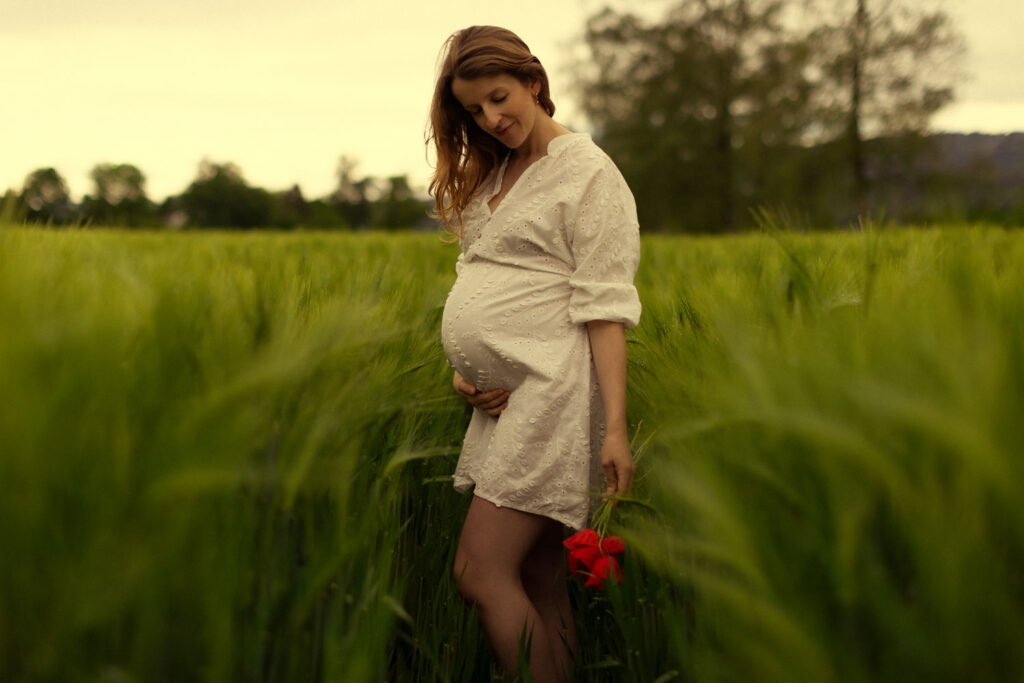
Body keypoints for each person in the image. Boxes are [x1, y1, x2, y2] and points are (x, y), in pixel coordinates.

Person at [427, 25, 642, 683]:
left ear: (533, 81)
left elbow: (604, 307)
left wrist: (615, 426)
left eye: (499, 98)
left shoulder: (588, 172)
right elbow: (490, 282)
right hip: (502, 402)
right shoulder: (497, 171)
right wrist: (469, 374)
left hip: (553, 391)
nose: (493, 119)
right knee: (541, 576)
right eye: (474, 110)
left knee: (479, 570)